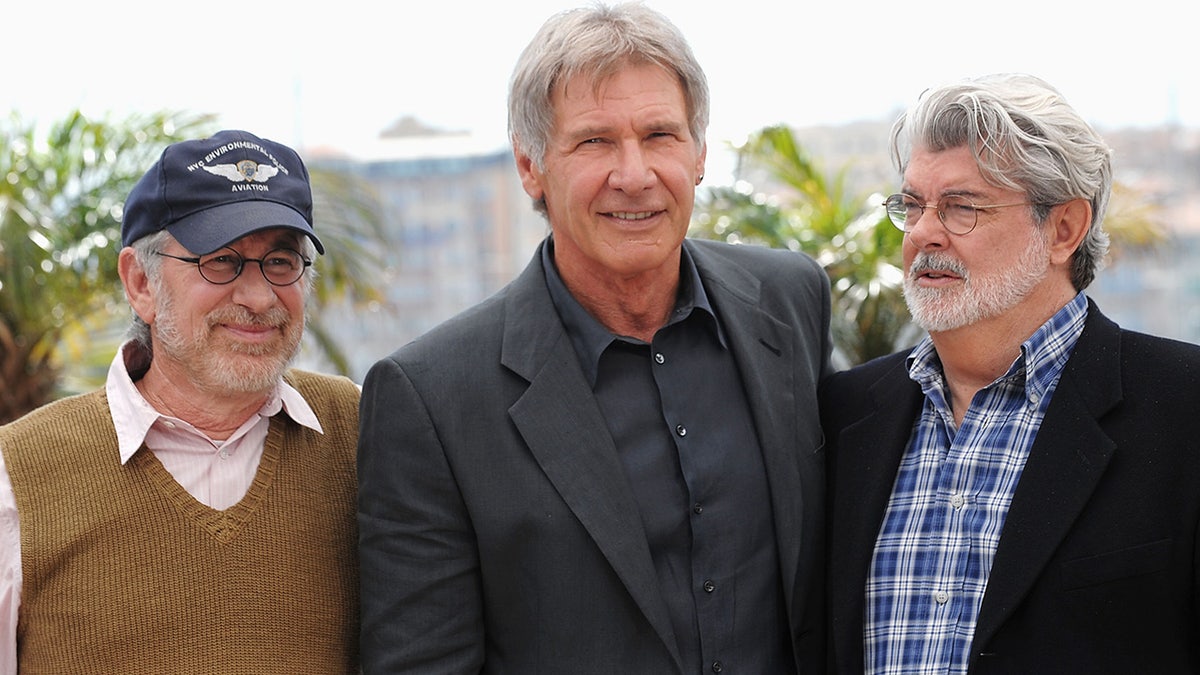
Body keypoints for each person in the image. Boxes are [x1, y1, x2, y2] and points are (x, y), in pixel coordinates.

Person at [356, 3, 832, 673]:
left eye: (660, 134)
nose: (634, 174)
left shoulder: (790, 302)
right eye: (594, 141)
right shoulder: (431, 398)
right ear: (530, 166)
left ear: (699, 155)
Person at [822, 72, 1200, 673]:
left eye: (961, 208)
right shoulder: (843, 414)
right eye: (912, 205)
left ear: (1063, 230)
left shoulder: (1183, 408)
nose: (922, 233)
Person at [0, 130, 361, 673]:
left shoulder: (360, 428)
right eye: (221, 261)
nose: (260, 297)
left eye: (282, 262)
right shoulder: (18, 476)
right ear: (140, 282)